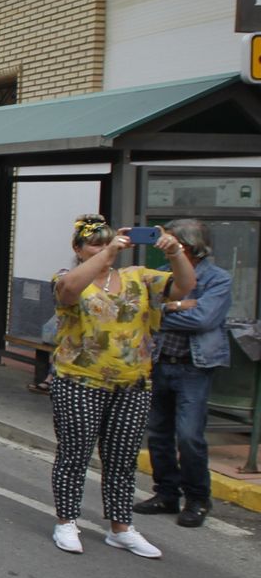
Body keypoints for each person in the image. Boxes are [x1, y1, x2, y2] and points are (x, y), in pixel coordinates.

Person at [49, 214, 194, 558]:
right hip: (79, 380)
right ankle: (66, 521)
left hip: (133, 382)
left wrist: (175, 252)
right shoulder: (68, 277)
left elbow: (184, 286)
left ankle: (121, 527)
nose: (102, 247)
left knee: (122, 458)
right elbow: (70, 292)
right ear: (78, 249)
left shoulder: (138, 277)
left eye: (107, 241)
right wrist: (108, 253)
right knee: (74, 453)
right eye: (94, 243)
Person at [134, 219, 233, 529]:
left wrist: (166, 308)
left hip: (194, 365)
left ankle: (198, 498)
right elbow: (144, 312)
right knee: (159, 434)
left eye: (172, 241)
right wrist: (178, 305)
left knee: (189, 436)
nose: (165, 245)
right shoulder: (163, 274)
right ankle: (166, 493)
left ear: (190, 247)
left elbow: (203, 319)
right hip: (161, 360)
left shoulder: (218, 279)